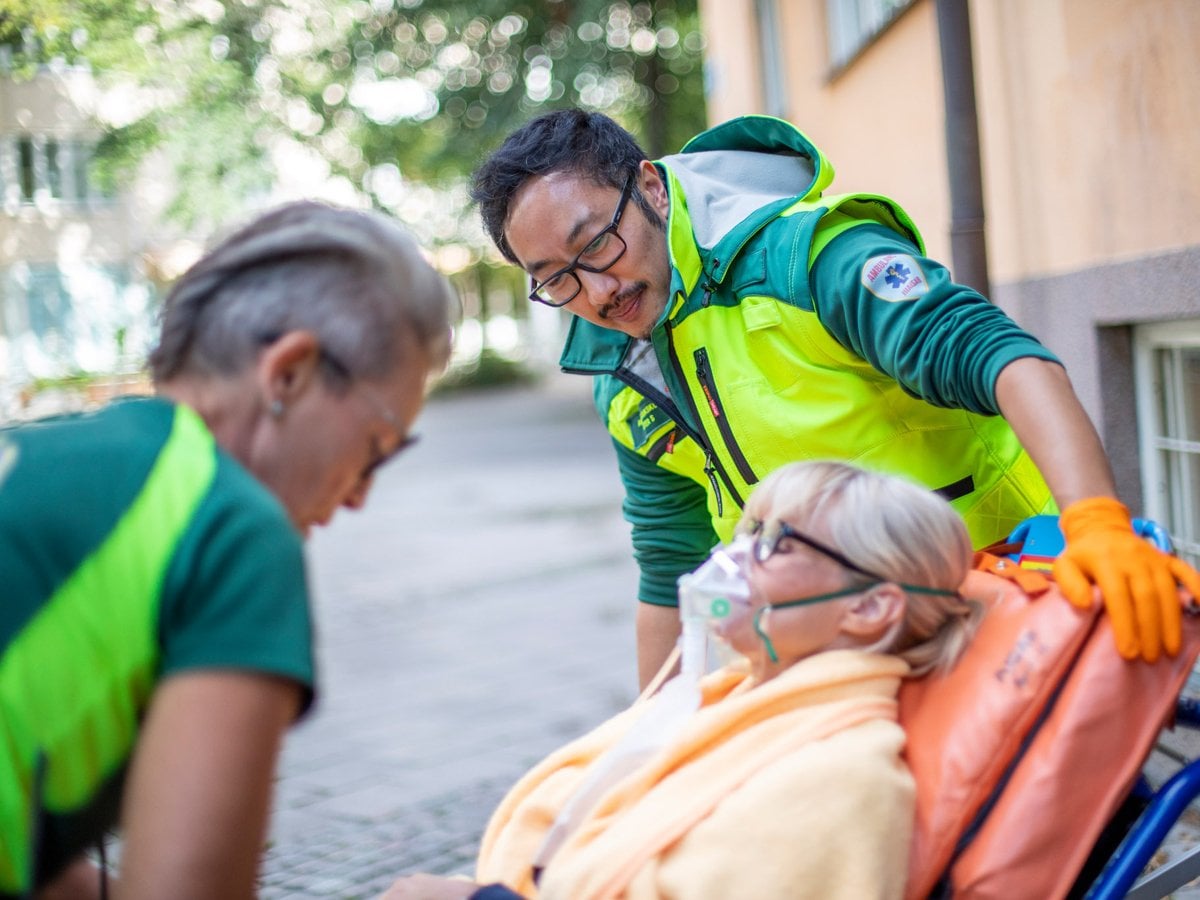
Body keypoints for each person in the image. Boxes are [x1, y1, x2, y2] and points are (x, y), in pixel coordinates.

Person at [469, 109, 1200, 688]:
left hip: (997, 601)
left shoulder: (809, 261)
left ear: (652, 188)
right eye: (557, 279)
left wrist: (1097, 523)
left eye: (597, 243)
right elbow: (670, 570)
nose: (596, 292)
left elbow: (1005, 359)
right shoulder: (623, 383)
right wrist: (652, 740)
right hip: (835, 650)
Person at [0, 200, 455, 900]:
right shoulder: (231, 527)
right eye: (376, 450)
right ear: (290, 373)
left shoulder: (52, 450)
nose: (361, 495)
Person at [379, 460, 981, 900]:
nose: (731, 558)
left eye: (774, 543)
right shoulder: (740, 702)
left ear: (869, 608)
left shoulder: (845, 777)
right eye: (746, 531)